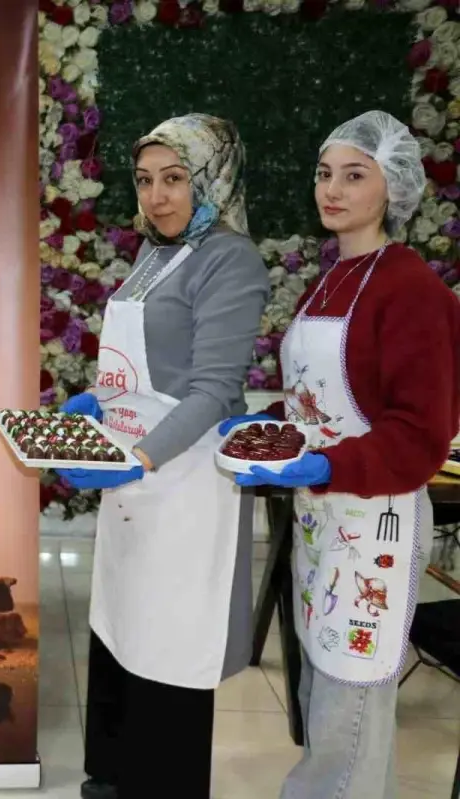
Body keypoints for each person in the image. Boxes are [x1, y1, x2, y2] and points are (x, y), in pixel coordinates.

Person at [221, 110, 460, 799]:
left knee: (348, 709)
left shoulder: (411, 288)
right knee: (330, 697)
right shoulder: (333, 279)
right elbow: (315, 400)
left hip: (375, 523)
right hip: (322, 520)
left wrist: (330, 464)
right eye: (325, 174)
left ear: (394, 187)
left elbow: (420, 433)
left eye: (355, 176)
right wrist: (261, 427)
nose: (332, 189)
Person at [53, 114, 269, 799]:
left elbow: (213, 390)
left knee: (170, 644)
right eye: (145, 180)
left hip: (185, 480)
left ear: (212, 178)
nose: (157, 196)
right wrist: (94, 404)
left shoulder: (231, 260)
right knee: (123, 628)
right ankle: (114, 775)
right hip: (136, 478)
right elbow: (142, 369)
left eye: (174, 178)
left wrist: (141, 456)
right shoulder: (156, 252)